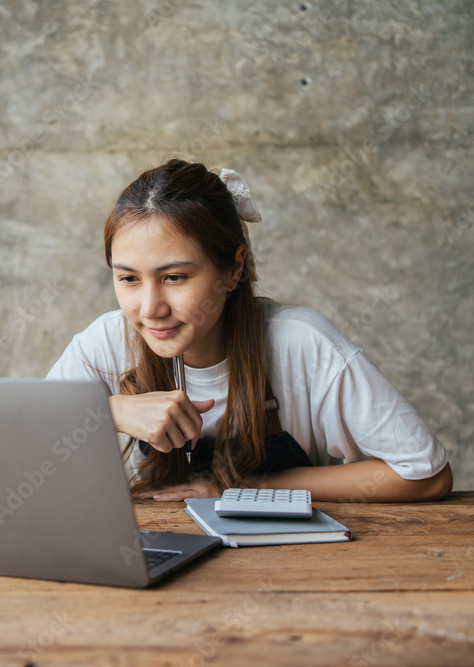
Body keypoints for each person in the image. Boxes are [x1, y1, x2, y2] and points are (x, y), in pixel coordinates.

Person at [46, 158, 453, 502]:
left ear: (233, 268)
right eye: (129, 279)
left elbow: (426, 474)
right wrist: (110, 411)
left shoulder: (301, 342)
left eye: (174, 277)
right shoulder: (105, 343)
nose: (150, 309)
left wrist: (241, 487)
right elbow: (15, 458)